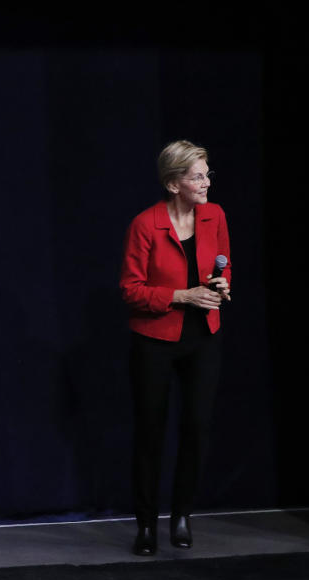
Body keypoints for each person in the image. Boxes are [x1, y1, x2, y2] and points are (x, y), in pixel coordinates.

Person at [119, 140, 231, 556]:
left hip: (203, 339)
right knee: (151, 433)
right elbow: (131, 291)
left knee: (196, 429)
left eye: (207, 174)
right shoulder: (145, 225)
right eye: (197, 176)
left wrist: (222, 285)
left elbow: (224, 262)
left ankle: (182, 516)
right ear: (173, 184)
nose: (206, 182)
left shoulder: (215, 215)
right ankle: (146, 525)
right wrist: (182, 296)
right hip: (154, 342)